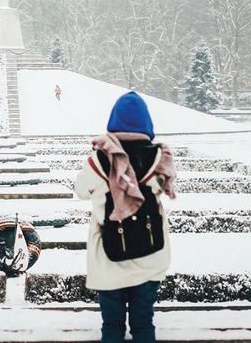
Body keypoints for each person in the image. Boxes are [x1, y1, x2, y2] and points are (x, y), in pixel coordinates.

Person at [74, 91, 177, 343]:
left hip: (108, 260)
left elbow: (79, 191)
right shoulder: (159, 158)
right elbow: (166, 187)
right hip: (150, 258)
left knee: (112, 326)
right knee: (143, 325)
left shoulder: (98, 160)